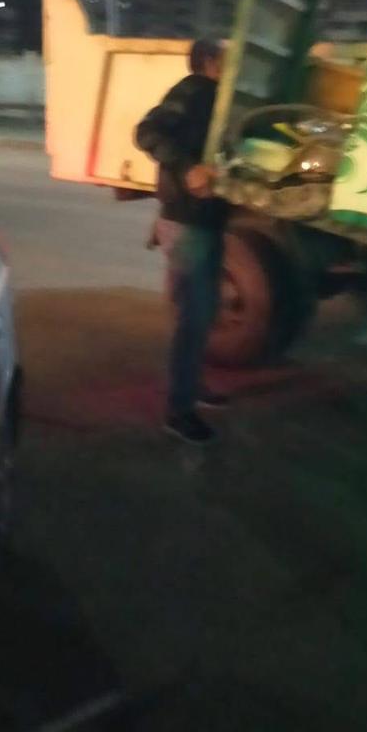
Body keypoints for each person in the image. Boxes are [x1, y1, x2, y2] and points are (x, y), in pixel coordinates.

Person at [136, 37, 228, 445]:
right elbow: (146, 132)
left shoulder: (219, 97)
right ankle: (179, 410)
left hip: (206, 219)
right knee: (195, 314)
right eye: (226, 57)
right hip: (188, 222)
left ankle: (193, 386)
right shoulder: (192, 91)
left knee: (203, 312)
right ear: (208, 61)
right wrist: (188, 167)